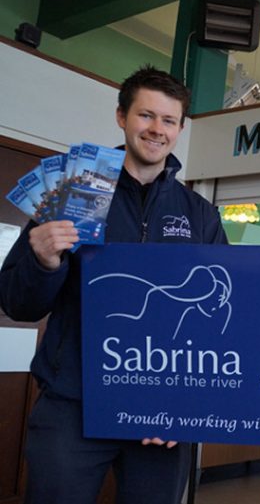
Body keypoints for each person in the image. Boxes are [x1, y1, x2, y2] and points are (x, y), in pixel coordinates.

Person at [0, 65, 228, 504]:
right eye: (146, 115)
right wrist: (43, 262)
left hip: (162, 411)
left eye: (168, 120)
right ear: (121, 117)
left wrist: (187, 406)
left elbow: (215, 322)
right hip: (73, 405)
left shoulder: (200, 214)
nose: (156, 129)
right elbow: (17, 302)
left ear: (180, 129)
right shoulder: (70, 194)